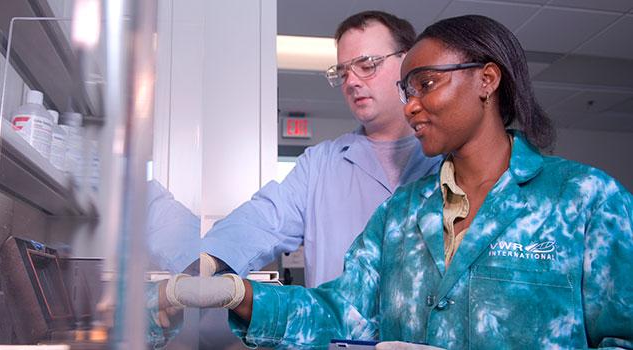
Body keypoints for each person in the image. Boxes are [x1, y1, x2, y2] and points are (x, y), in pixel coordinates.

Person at [165, 14, 633, 349]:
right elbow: (340, 310)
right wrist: (238, 293)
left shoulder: (585, 201)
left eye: (425, 84)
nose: (410, 104)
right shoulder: (400, 210)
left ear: (487, 80)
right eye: (408, 91)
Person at [193, 10, 441, 288]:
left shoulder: (449, 157)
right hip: (335, 329)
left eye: (367, 65)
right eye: (344, 72)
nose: (352, 82)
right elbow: (266, 218)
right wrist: (205, 258)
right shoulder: (320, 164)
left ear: (408, 62)